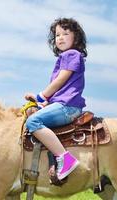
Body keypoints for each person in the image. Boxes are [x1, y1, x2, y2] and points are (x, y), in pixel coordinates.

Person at [24, 18, 87, 180]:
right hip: (61, 103)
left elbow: (60, 81)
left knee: (32, 122)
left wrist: (41, 96)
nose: (60, 37)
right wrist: (42, 102)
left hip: (68, 107)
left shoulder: (72, 54)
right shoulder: (65, 57)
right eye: (57, 34)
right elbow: (60, 90)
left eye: (66, 33)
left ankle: (65, 158)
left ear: (76, 38)